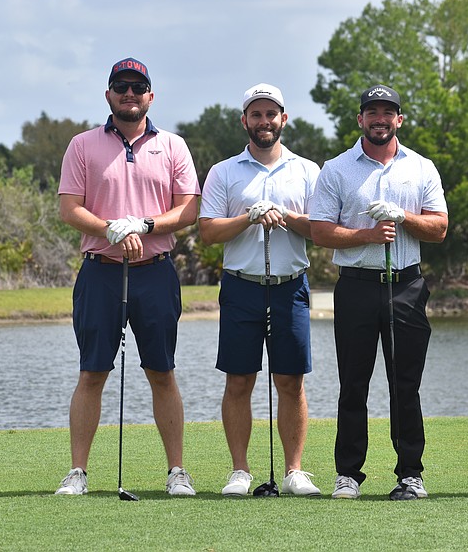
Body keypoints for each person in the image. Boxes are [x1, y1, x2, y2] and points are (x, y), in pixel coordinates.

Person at [55, 57, 201, 497]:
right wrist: (110, 228)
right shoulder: (82, 145)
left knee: (162, 371)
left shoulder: (173, 145)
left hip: (155, 273)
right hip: (100, 271)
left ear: (150, 96)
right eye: (121, 86)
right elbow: (69, 208)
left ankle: (177, 471)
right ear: (109, 95)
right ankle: (78, 472)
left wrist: (146, 225)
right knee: (92, 372)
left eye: (138, 87)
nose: (130, 94)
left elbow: (189, 208)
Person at [309, 84, 448, 500]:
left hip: (406, 286)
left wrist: (403, 217)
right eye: (372, 112)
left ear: (399, 119)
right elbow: (319, 230)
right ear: (360, 120)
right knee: (354, 384)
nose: (380, 119)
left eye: (388, 112)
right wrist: (368, 235)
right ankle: (348, 474)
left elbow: (439, 228)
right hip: (356, 286)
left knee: (405, 384)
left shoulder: (421, 168)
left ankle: (410, 475)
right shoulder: (336, 169)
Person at [198, 83, 321, 497]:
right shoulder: (224, 171)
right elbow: (208, 231)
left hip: (290, 287)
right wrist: (250, 218)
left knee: (291, 381)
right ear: (244, 121)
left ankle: (294, 471)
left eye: (271, 114)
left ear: (283, 119)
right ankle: (239, 471)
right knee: (239, 381)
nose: (264, 121)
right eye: (256, 114)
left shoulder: (306, 170)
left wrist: (285, 215)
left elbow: (319, 230)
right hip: (241, 286)